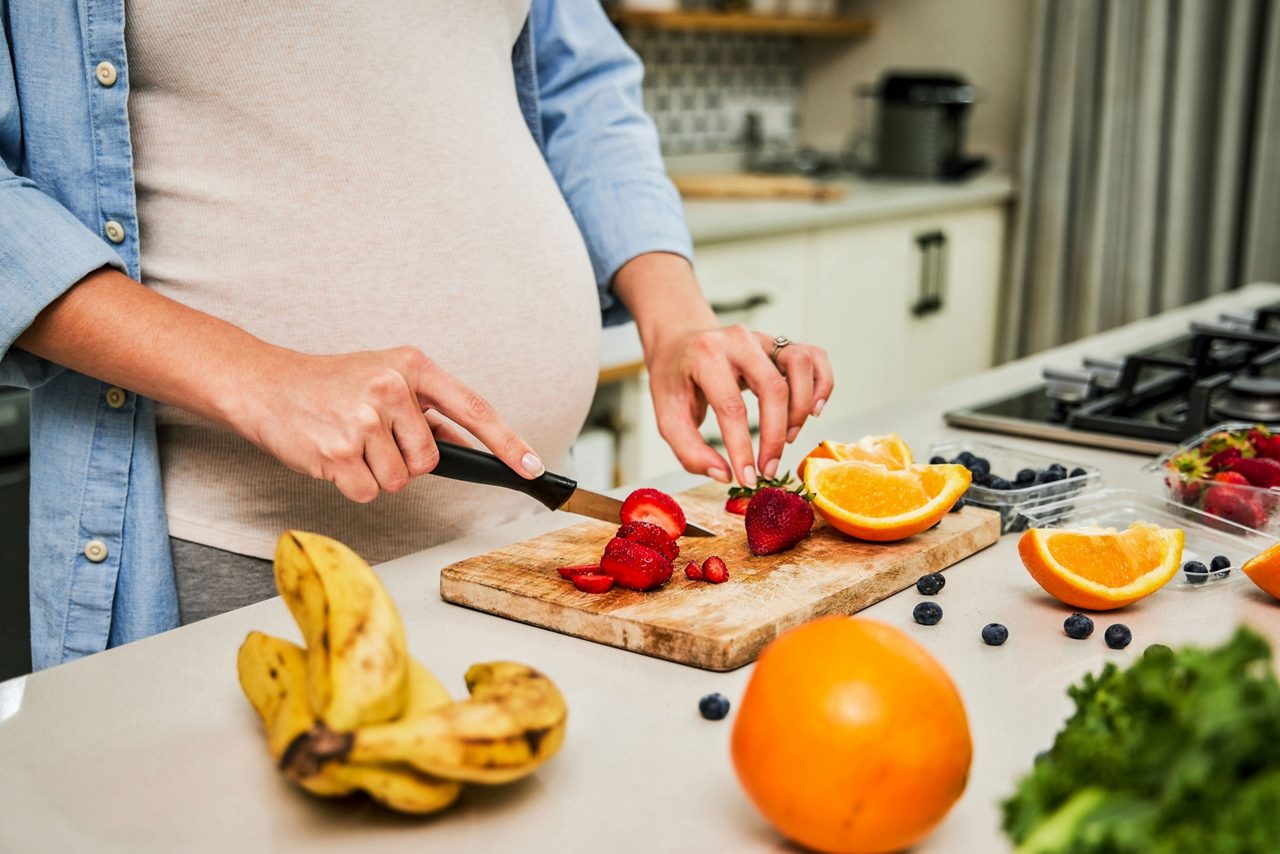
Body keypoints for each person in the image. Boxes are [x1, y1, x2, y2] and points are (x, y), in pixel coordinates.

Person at [1, 0, 834, 670]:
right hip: (240, 558)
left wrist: (676, 315)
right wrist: (255, 375)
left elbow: (586, 90)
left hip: (529, 549)